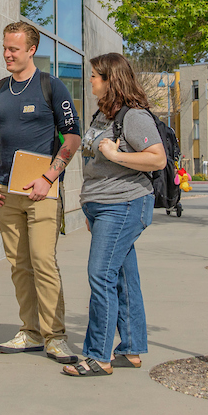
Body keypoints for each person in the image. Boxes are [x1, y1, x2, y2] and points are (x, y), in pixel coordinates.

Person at [62, 52, 166, 377]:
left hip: (123, 204)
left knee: (101, 275)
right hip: (103, 206)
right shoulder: (102, 114)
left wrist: (115, 154)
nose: (90, 79)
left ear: (110, 80)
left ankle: (98, 356)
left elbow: (157, 158)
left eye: (94, 75)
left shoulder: (134, 117)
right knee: (121, 277)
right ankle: (132, 349)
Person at [0, 22, 81, 362]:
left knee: (43, 262)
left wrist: (49, 177)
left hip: (42, 193)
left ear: (31, 50)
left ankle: (55, 335)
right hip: (6, 193)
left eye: (13, 48)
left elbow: (72, 139)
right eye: (5, 47)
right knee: (19, 265)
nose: (7, 54)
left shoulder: (51, 88)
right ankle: (30, 332)